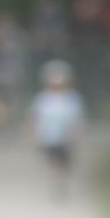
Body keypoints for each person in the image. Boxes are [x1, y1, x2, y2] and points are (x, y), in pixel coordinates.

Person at [27, 60, 85, 200]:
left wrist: (77, 134)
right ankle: (55, 183)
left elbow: (77, 119)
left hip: (66, 137)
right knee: (51, 162)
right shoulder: (42, 99)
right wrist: (33, 134)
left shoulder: (72, 99)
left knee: (65, 163)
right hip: (48, 137)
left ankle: (61, 183)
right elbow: (34, 118)